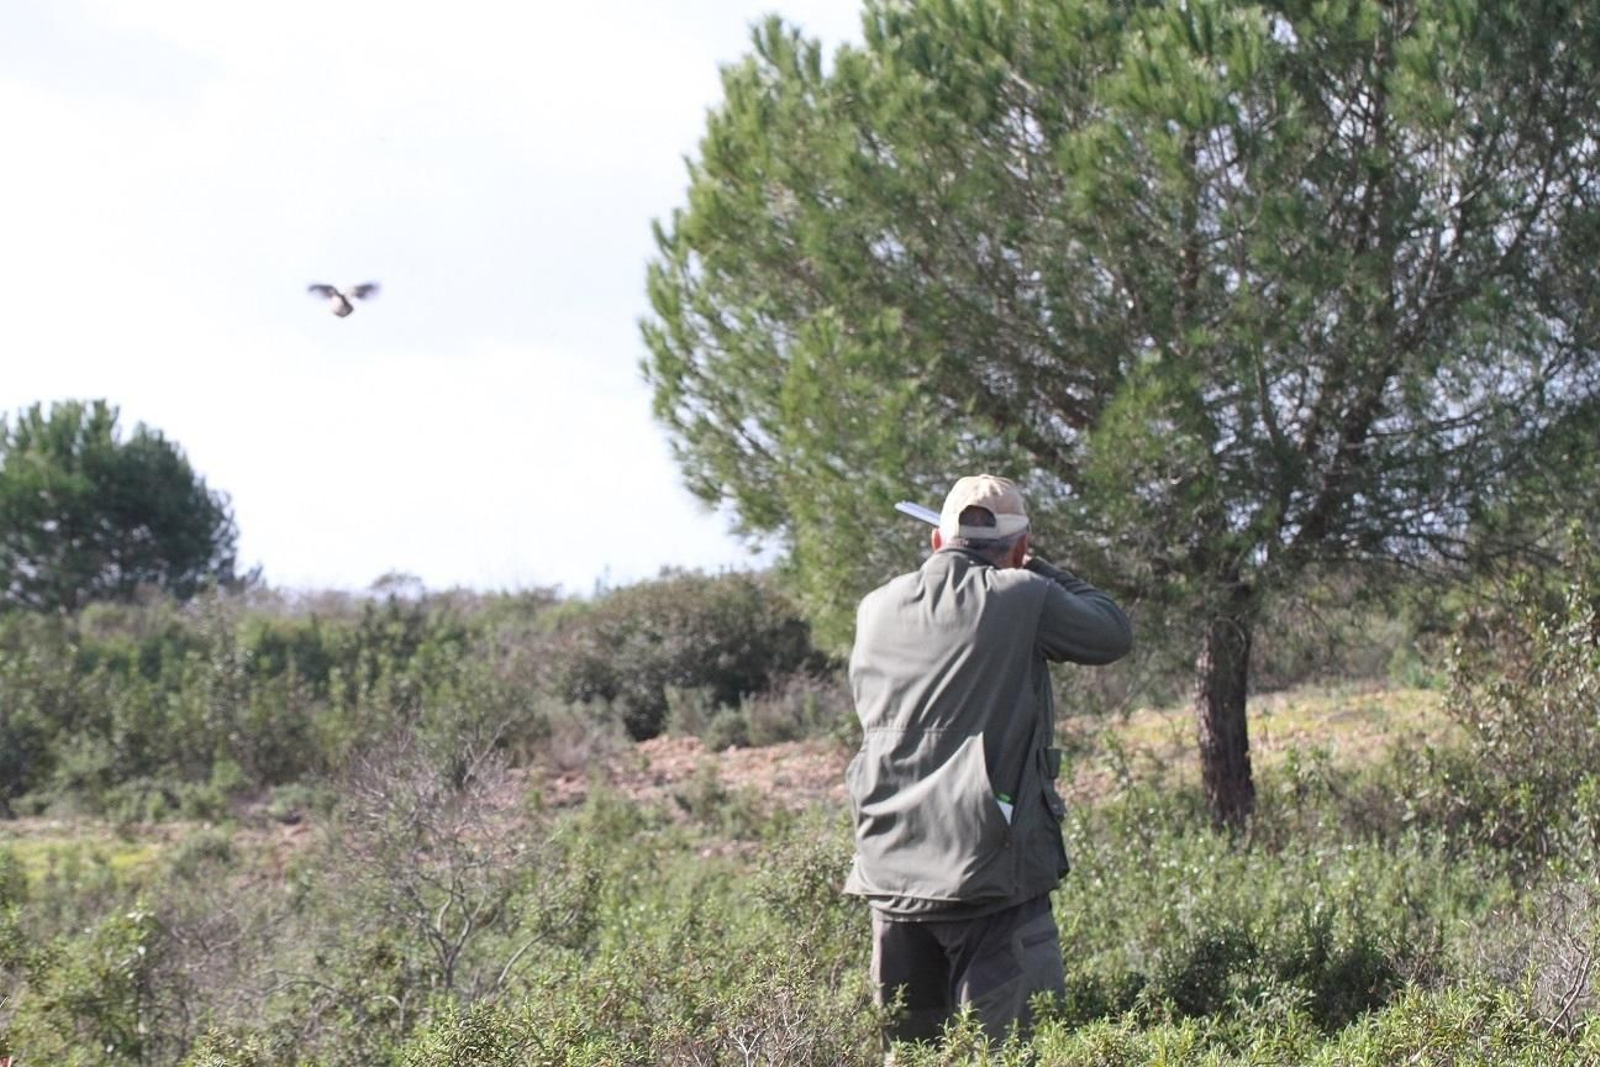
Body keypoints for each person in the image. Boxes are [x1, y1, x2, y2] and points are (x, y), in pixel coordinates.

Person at [845, 473, 1133, 1049]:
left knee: (911, 1055)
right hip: (988, 879)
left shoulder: (874, 608)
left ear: (936, 542)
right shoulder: (1021, 594)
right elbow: (1109, 631)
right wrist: (1037, 568)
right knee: (1008, 1053)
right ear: (1019, 548)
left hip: (892, 872)